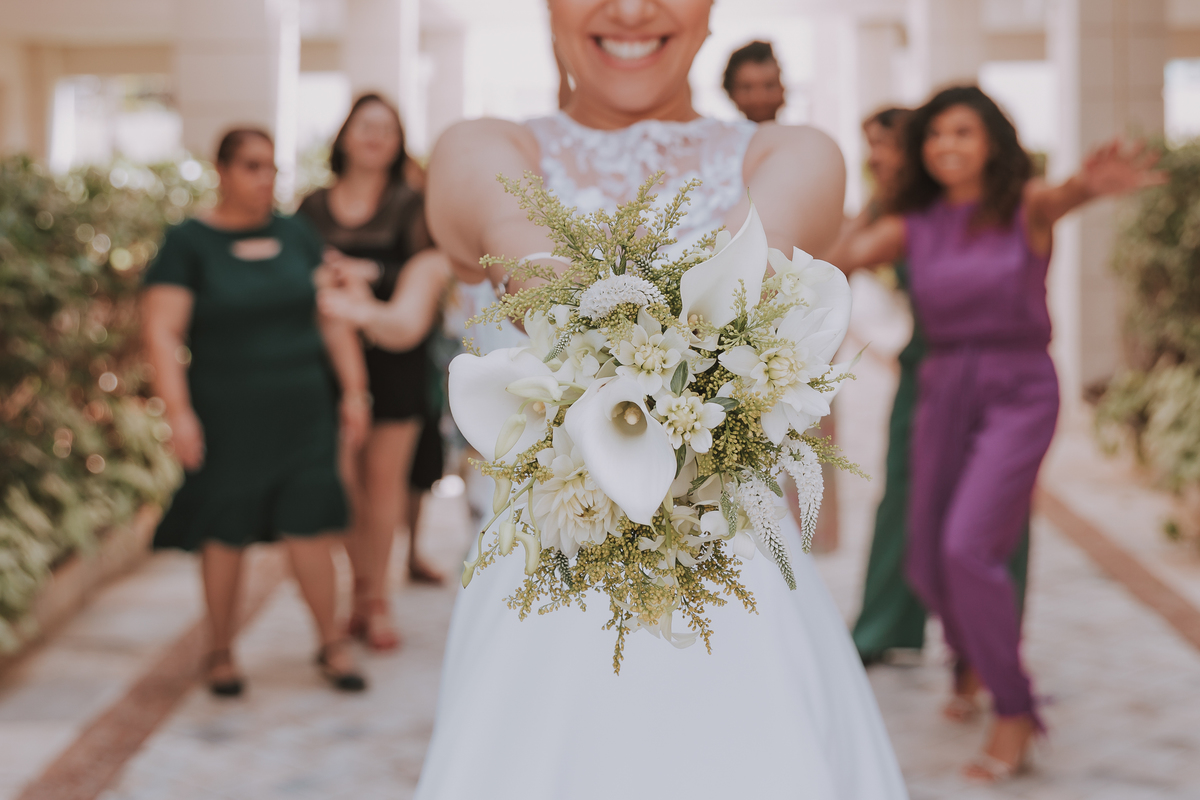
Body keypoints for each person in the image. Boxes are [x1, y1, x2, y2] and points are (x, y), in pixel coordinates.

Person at [414, 1, 909, 798]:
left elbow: (752, 267)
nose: (632, 9)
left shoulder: (792, 153)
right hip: (544, 578)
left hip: (739, 584)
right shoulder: (482, 147)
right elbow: (513, 234)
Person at [830, 85, 1164, 781]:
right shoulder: (913, 224)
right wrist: (883, 194)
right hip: (941, 390)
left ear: (992, 143)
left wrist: (1090, 185)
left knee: (967, 547)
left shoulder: (1025, 204)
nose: (946, 146)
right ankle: (970, 658)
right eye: (934, 135)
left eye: (963, 132)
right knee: (927, 555)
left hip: (1019, 393)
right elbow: (835, 261)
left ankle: (1015, 710)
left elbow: (1067, 194)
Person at [140, 128, 369, 696]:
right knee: (225, 525)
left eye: (271, 167)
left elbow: (330, 315)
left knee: (310, 519)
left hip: (304, 410)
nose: (265, 178)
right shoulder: (188, 243)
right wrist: (179, 413)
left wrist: (354, 390)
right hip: (227, 415)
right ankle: (219, 650)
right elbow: (161, 332)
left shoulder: (295, 234)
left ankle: (331, 643)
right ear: (221, 170)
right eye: (251, 166)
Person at [848, 107, 1031, 669]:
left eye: (885, 145)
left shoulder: (976, 207)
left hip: (992, 374)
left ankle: (986, 647)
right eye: (870, 146)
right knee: (903, 498)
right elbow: (835, 260)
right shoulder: (896, 211)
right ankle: (884, 627)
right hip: (923, 372)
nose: (875, 157)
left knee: (997, 506)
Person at [299, 94, 448, 653]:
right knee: (341, 483)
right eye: (365, 125)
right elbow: (295, 265)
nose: (375, 136)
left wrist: (369, 271)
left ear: (398, 141)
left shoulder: (412, 204)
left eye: (387, 128)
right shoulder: (313, 205)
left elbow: (423, 268)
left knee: (384, 485)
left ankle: (373, 600)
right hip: (328, 361)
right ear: (344, 135)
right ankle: (358, 589)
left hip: (395, 355)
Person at [722, 39, 785, 123]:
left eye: (769, 86)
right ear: (731, 93)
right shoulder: (716, 130)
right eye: (747, 88)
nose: (759, 98)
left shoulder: (800, 130)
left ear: (783, 88)